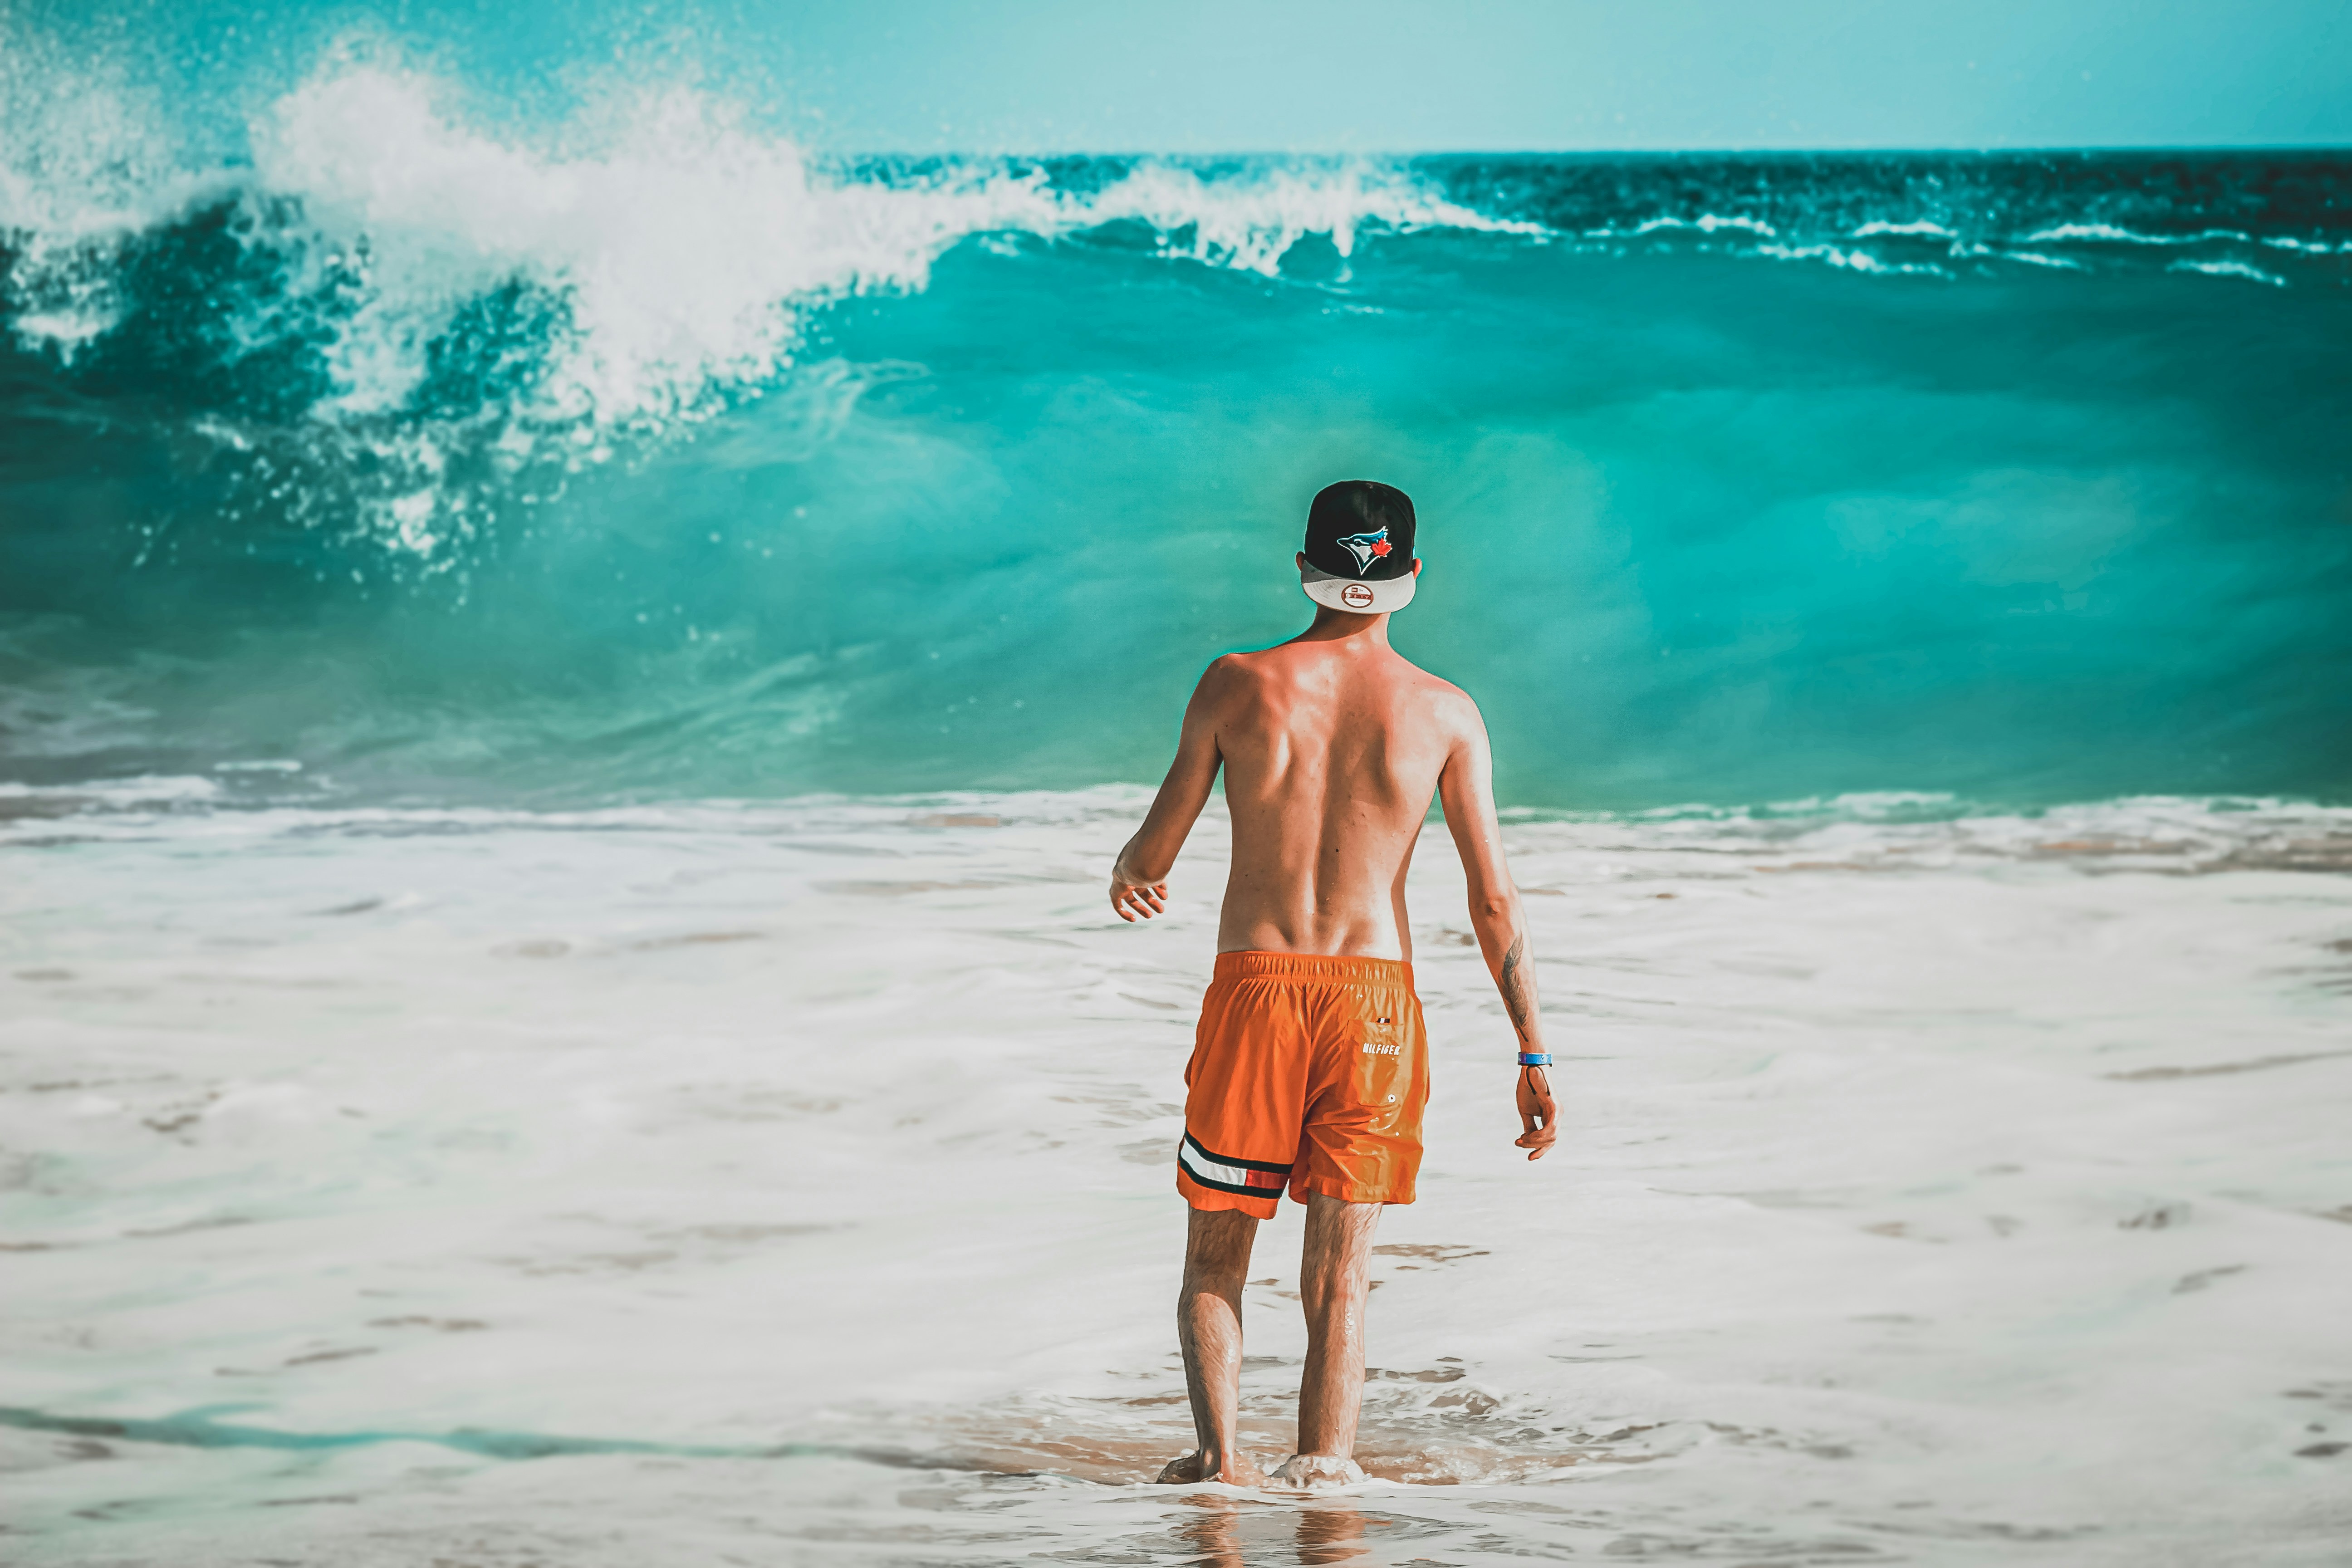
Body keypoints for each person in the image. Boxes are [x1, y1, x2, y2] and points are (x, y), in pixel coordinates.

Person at [1107, 479, 1557, 1492]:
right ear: (1410, 576)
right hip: (1376, 1006)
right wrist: (1530, 1048)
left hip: (1257, 992)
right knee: (1342, 1274)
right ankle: (1326, 1480)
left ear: (1306, 567)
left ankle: (1225, 1469)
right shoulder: (1446, 713)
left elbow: (1154, 852)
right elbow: (1494, 900)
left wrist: (1130, 873)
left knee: (1216, 1258)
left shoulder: (1234, 684)